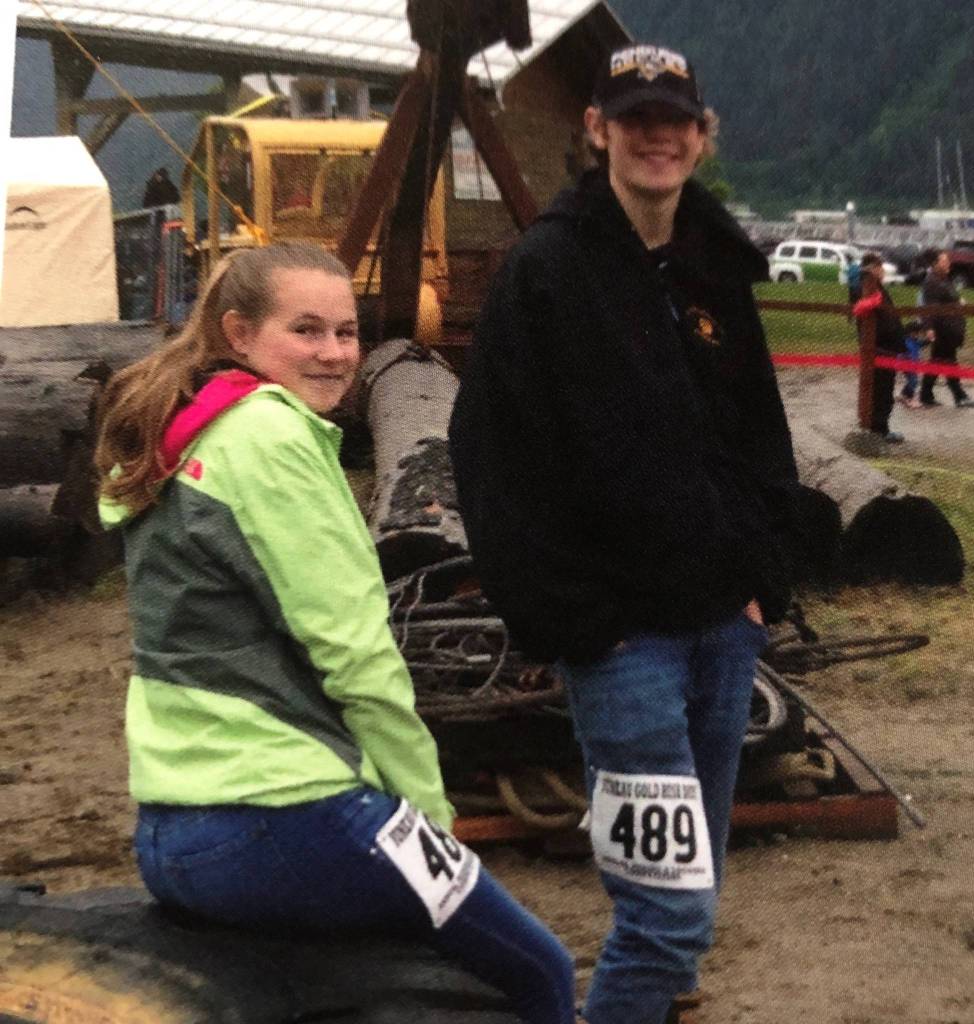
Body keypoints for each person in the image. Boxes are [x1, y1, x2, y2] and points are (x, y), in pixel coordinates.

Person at [93, 243, 575, 1024]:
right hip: (289, 813)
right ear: (239, 333)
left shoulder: (187, 430)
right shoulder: (272, 439)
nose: (335, 353)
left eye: (347, 332)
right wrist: (431, 818)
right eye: (307, 330)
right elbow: (358, 656)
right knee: (536, 970)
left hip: (173, 828)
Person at [448, 44, 799, 1024]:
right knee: (666, 914)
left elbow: (759, 435)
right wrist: (575, 623)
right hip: (621, 644)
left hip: (723, 627)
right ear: (597, 130)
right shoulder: (546, 271)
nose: (657, 136)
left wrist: (762, 580)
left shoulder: (715, 267)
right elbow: (490, 455)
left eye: (674, 120)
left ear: (701, 137)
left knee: (696, 881)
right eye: (635, 117)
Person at [852, 252, 905, 443]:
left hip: (887, 347)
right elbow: (867, 313)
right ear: (871, 269)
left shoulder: (877, 288)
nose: (882, 270)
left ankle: (879, 427)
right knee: (881, 391)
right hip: (878, 348)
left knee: (884, 390)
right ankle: (879, 429)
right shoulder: (866, 287)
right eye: (879, 267)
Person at [919, 249, 974, 408]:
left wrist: (959, 302)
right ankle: (959, 396)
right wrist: (929, 327)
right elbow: (930, 307)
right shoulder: (932, 282)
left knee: (938, 362)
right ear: (935, 264)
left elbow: (950, 298)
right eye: (944, 261)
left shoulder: (944, 279)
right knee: (949, 362)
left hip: (951, 328)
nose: (948, 264)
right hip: (943, 328)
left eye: (947, 261)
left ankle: (926, 394)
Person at [897, 318, 932, 409]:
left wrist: (929, 340)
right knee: (913, 381)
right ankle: (909, 398)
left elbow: (922, 343)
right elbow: (902, 354)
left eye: (918, 333)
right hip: (907, 364)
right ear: (910, 332)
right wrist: (906, 361)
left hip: (912, 365)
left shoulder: (914, 341)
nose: (917, 335)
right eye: (916, 333)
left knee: (913, 381)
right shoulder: (906, 341)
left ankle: (904, 394)